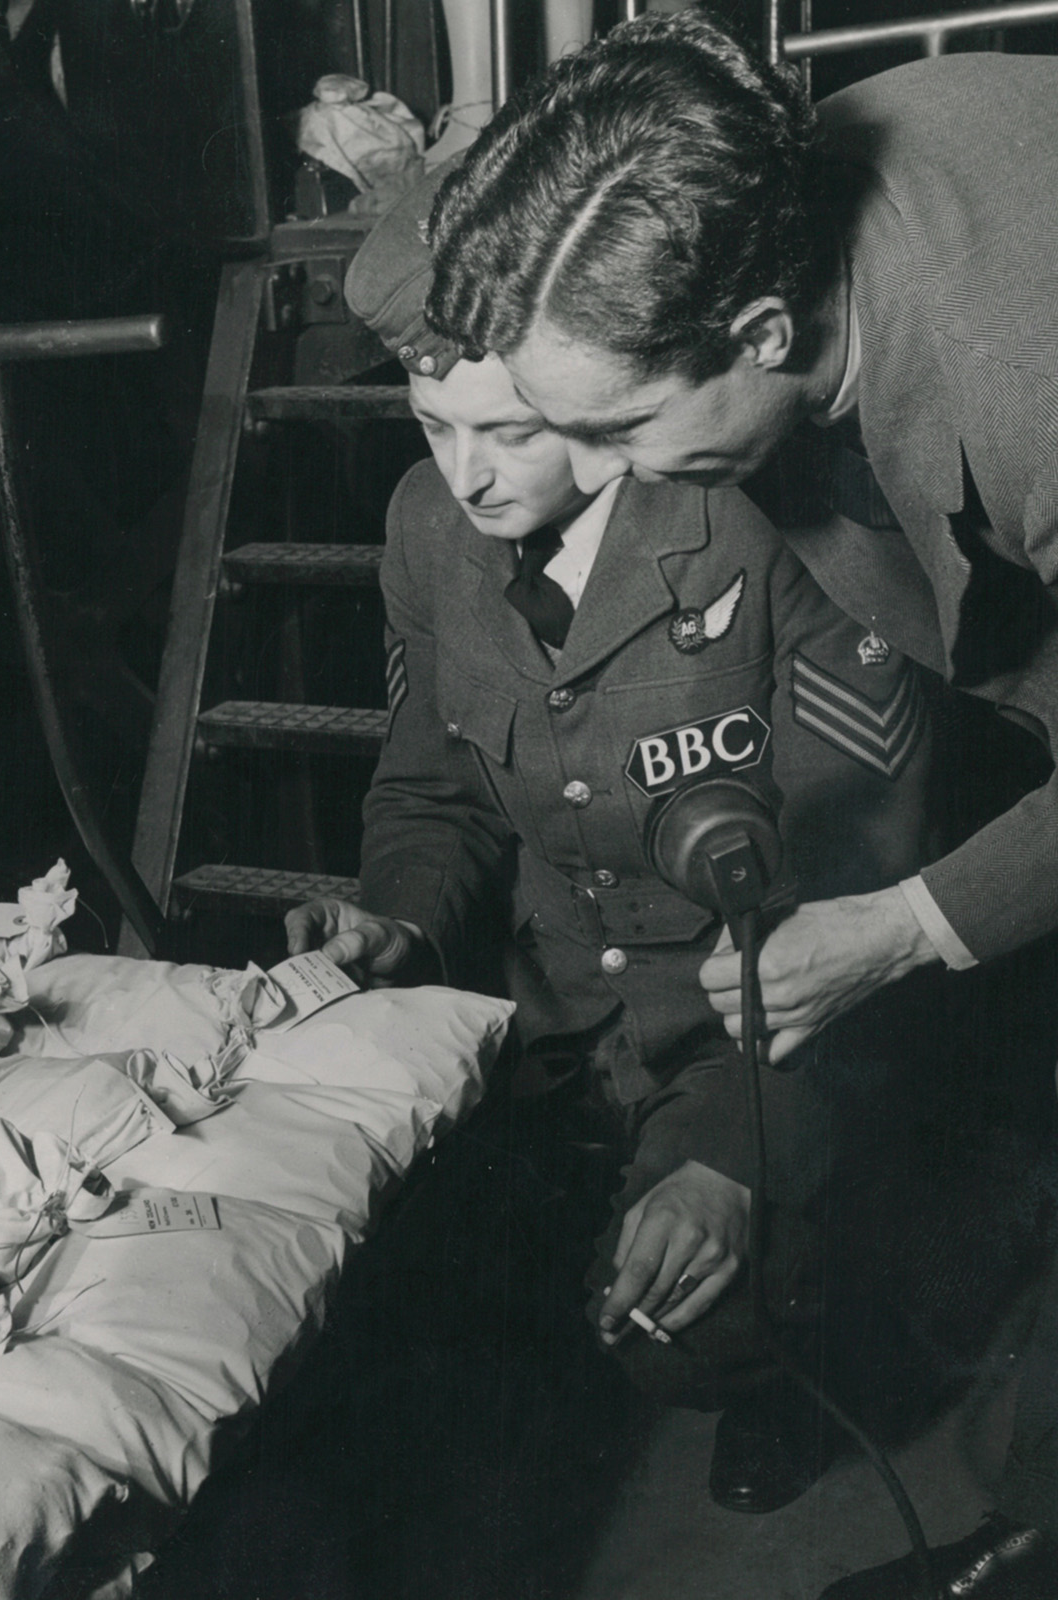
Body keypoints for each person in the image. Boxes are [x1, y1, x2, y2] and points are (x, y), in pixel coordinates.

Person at [423, 14, 1058, 1595]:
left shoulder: (1028, 370)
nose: (594, 476)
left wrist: (909, 929)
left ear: (765, 332)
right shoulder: (754, 207)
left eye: (618, 432)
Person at [286, 162, 937, 1518]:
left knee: (689, 1314)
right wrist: (395, 920)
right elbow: (433, 791)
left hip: (758, 1030)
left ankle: (787, 1356)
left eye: (509, 433)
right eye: (427, 423)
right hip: (551, 1022)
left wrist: (736, 1159)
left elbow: (871, 906)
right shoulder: (426, 530)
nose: (464, 479)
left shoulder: (764, 514)